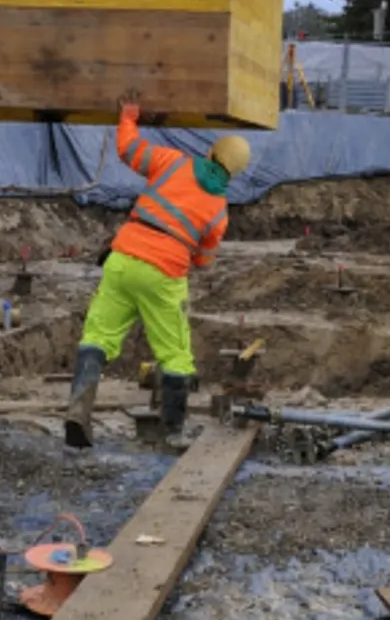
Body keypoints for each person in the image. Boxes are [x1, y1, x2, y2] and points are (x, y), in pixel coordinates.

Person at [66, 91, 251, 449]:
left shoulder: (173, 162)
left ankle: (78, 414)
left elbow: (129, 149)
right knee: (175, 353)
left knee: (97, 337)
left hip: (123, 256)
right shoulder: (218, 211)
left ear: (211, 152)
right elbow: (203, 260)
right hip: (164, 272)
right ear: (234, 172)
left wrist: (129, 117)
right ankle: (172, 432)